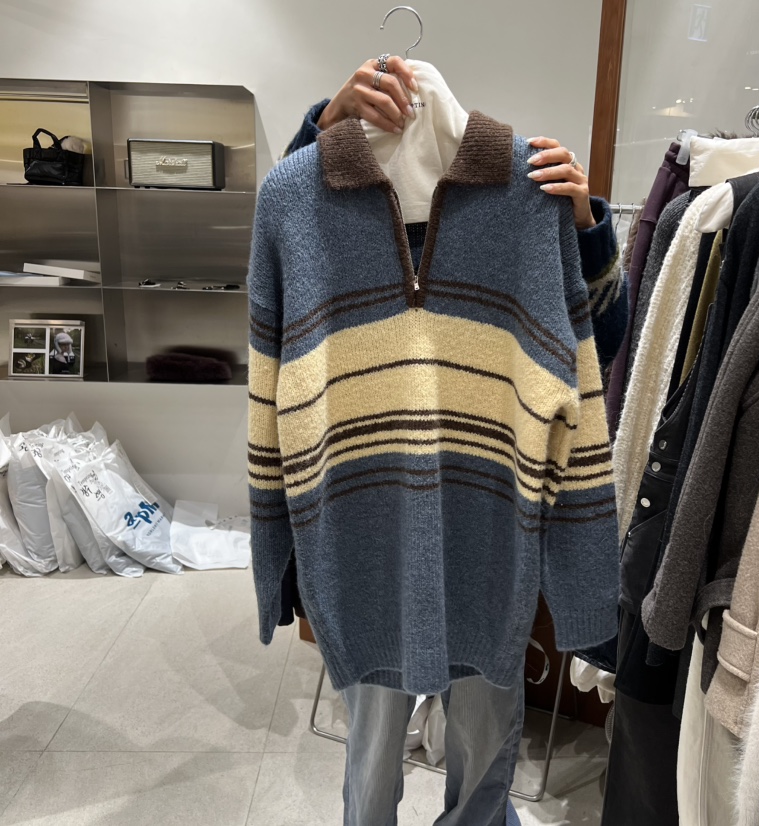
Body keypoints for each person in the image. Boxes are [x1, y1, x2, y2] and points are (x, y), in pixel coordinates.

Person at [278, 56, 625, 826]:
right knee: (372, 757)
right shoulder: (313, 211)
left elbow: (595, 354)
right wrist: (322, 129)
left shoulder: (523, 206)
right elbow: (287, 241)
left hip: (487, 538)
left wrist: (581, 231)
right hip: (366, 541)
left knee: (484, 747)